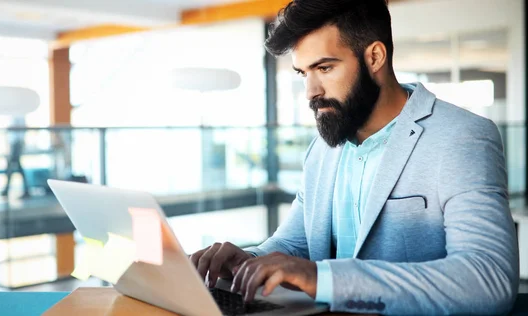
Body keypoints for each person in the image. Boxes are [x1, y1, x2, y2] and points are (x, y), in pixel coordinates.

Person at [190, 0, 519, 314]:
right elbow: (294, 246)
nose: (311, 92)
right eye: (304, 73)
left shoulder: (461, 136)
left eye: (325, 67)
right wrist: (245, 261)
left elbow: (488, 279)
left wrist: (325, 279)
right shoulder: (322, 148)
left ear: (375, 57)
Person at [1, 115, 30, 198]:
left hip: (17, 143)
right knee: (16, 167)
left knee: (11, 166)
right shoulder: (13, 113)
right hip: (14, 143)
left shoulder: (19, 114)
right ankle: (25, 189)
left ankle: (7, 190)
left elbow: (21, 128)